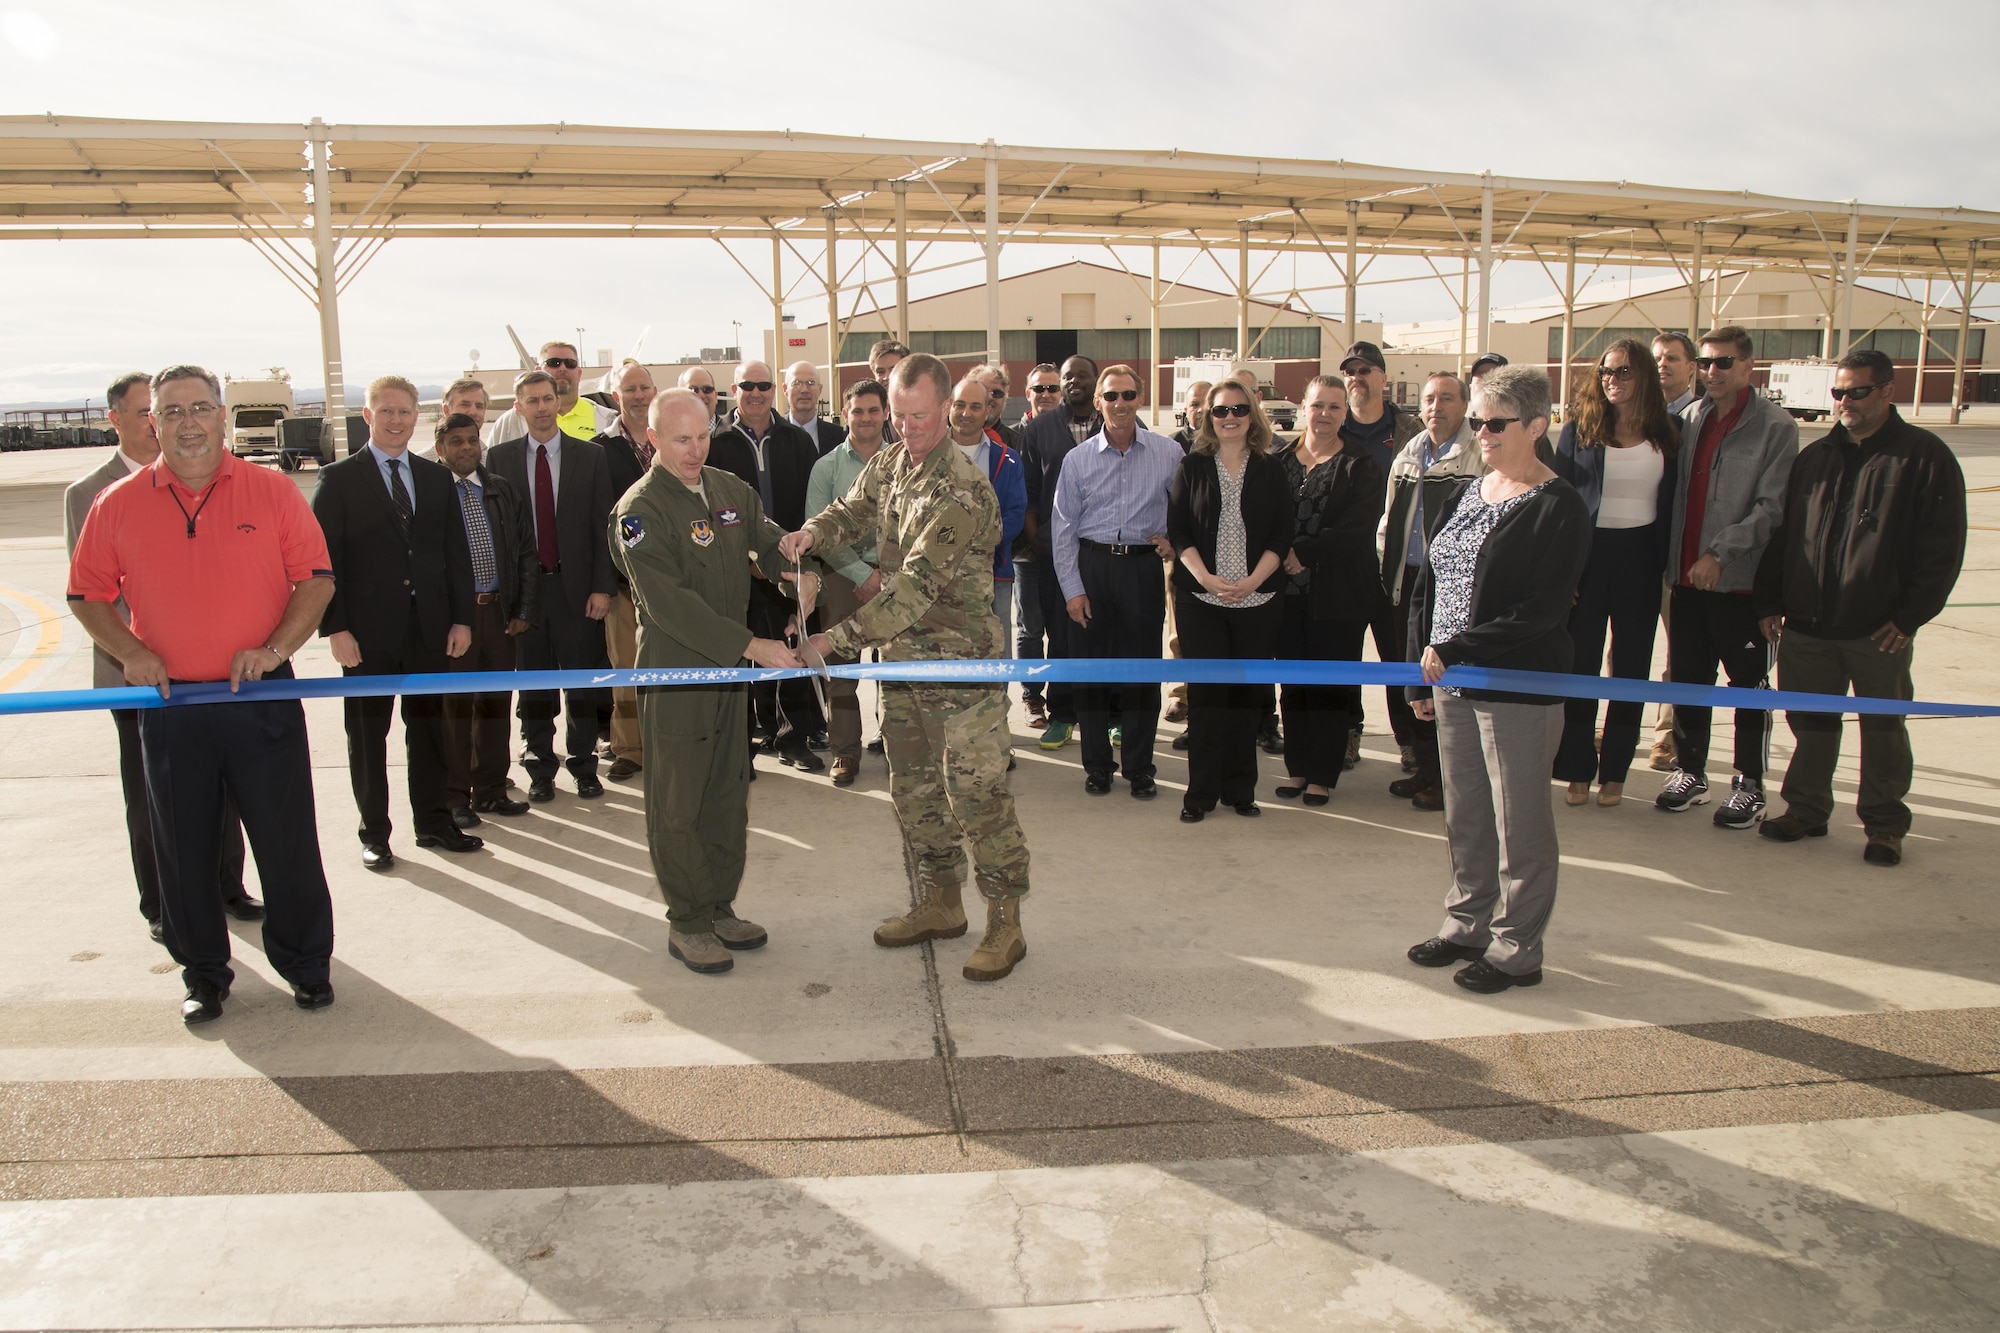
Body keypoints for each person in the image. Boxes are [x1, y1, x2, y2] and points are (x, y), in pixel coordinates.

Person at [68, 364, 338, 1024]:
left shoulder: (271, 492)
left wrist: (274, 648)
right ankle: (204, 973)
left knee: (286, 838)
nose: (188, 422)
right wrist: (130, 652)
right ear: (151, 423)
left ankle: (305, 963)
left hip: (259, 697)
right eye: (172, 411)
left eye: (200, 408)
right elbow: (86, 595)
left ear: (223, 416)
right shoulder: (118, 503)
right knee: (182, 847)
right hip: (172, 707)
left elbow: (318, 581)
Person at [785, 353, 1033, 983]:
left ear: (947, 409)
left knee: (978, 796)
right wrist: (812, 534)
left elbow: (911, 591)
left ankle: (1005, 922)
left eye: (919, 417)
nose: (907, 428)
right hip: (904, 668)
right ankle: (943, 905)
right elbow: (855, 508)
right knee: (915, 791)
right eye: (899, 416)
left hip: (962, 672)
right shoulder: (895, 459)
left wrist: (829, 642)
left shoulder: (961, 489)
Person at [1403, 365, 1591, 995]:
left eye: (1494, 422)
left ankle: (1517, 949)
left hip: (1517, 686)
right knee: (1468, 816)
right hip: (1451, 682)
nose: (1481, 431)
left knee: (1521, 823)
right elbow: (1431, 586)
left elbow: (1539, 610)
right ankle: (1467, 925)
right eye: (1477, 420)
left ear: (1536, 427)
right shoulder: (1470, 490)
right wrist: (1423, 671)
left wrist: (1455, 649)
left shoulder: (1559, 506)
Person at [611, 389, 811, 974]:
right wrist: (751, 644)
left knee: (727, 793)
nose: (695, 450)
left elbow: (767, 538)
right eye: (680, 440)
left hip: (729, 678)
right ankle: (688, 920)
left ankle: (720, 904)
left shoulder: (728, 490)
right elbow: (669, 604)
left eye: (701, 437)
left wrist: (796, 568)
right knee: (678, 802)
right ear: (653, 439)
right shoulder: (640, 510)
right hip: (679, 676)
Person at [65, 372, 260, 942]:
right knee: (153, 797)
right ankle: (160, 902)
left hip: (209, 675)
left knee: (221, 788)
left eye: (192, 410)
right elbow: (96, 591)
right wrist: (142, 652)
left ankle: (227, 884)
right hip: (138, 675)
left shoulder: (203, 480)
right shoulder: (92, 493)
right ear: (123, 419)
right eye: (157, 413)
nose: (175, 423)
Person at [1755, 348, 1967, 867]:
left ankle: (1885, 824)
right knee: (1809, 723)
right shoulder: (1816, 458)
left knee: (1884, 730)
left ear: (1888, 392)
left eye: (1857, 391)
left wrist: (1911, 615)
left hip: (1879, 630)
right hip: (1807, 625)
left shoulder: (1923, 457)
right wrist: (1771, 600)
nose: (1845, 401)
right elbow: (1785, 537)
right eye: (1838, 392)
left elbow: (1942, 547)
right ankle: (1806, 809)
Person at [312, 375, 478, 870]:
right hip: (365, 637)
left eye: (404, 412)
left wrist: (461, 620)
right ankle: (375, 834)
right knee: (368, 737)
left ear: (416, 416)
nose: (395, 421)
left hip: (427, 629)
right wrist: (335, 628)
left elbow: (455, 554)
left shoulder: (434, 479)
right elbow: (321, 562)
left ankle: (432, 822)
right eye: (385, 411)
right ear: (367, 416)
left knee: (427, 732)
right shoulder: (339, 479)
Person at [1659, 325, 1797, 828]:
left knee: (1747, 687)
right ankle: (1691, 770)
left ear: (1747, 367)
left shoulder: (1775, 427)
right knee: (1691, 680)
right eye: (1707, 362)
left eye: (1723, 363)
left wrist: (1720, 552)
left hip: (1738, 584)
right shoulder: (1690, 419)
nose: (1712, 371)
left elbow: (1771, 508)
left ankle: (1749, 783)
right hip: (1688, 582)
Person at [1550, 340, 1680, 808]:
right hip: (1588, 559)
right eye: (1605, 371)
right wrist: (1564, 574)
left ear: (1643, 375)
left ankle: (1617, 771)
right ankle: (1577, 768)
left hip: (1641, 559)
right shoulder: (1579, 430)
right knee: (1580, 666)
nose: (1612, 380)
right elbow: (1560, 504)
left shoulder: (1669, 432)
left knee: (1630, 668)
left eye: (1623, 371)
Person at [1051, 363, 1180, 798]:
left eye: (1127, 395)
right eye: (1111, 396)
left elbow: (1186, 511)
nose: (1120, 404)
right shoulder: (1077, 460)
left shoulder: (1168, 453)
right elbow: (1063, 530)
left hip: (1142, 571)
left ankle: (1140, 767)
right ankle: (1097, 766)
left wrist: (1173, 540)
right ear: (1098, 402)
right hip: (1093, 569)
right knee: (1090, 674)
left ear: (1140, 398)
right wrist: (1073, 590)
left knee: (1142, 673)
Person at [488, 369, 616, 801]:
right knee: (534, 684)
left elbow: (603, 526)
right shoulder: (500, 459)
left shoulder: (590, 456)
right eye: (532, 400)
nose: (542, 407)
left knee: (582, 682)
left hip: (576, 589)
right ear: (518, 406)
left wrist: (602, 587)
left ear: (558, 402)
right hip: (526, 594)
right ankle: (540, 768)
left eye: (548, 398)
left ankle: (583, 765)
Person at [1169, 379, 1293, 820]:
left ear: (1252, 416)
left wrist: (1254, 581)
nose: (1229, 418)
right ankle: (1199, 795)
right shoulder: (1192, 466)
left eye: (1239, 410)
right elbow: (1179, 531)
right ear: (1208, 418)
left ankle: (1241, 791)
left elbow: (1282, 533)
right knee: (1206, 698)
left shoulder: (1272, 467)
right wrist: (1204, 577)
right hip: (1201, 599)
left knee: (1246, 699)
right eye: (1220, 411)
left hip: (1258, 601)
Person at [1268, 376, 1386, 806]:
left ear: (1345, 413)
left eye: (1335, 407)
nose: (1325, 415)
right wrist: (1282, 553)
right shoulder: (1278, 460)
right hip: (1284, 593)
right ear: (1304, 407)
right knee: (1294, 685)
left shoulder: (1360, 463)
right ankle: (1297, 770)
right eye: (1318, 405)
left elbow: (1358, 527)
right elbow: (1264, 516)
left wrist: (1307, 553)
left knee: (1331, 687)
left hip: (1337, 596)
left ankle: (1322, 776)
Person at [708, 358, 829, 770]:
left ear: (773, 389)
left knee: (791, 649)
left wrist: (804, 562)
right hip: (733, 570)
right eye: (747, 385)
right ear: (734, 388)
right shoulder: (715, 442)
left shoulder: (797, 441)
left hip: (785, 567)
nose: (756, 392)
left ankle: (793, 739)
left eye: (763, 385)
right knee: (738, 654)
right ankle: (739, 747)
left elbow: (813, 509)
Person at [1377, 372, 1482, 810]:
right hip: (1411, 583)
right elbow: (1389, 519)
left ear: (1465, 404)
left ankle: (1452, 780)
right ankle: (1425, 769)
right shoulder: (1410, 452)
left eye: (1446, 398)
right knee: (1415, 682)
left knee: (1448, 683)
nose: (1436, 407)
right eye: (1429, 399)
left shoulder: (1479, 454)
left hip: (1454, 590)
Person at [434, 413, 538, 826]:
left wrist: (523, 609)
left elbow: (526, 552)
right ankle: (454, 796)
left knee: (495, 704)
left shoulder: (500, 489)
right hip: (454, 621)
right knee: (455, 710)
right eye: (455, 441)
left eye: (471, 440)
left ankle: (491, 789)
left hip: (499, 612)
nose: (465, 448)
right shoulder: (432, 491)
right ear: (440, 449)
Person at [1340, 339, 1422, 773]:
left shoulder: (1413, 431)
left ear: (1383, 378)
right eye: (1351, 371)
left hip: (1396, 566)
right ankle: (1349, 735)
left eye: (1366, 370)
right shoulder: (1334, 428)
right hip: (1346, 565)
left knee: (1398, 656)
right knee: (1347, 656)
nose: (1357, 378)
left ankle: (1407, 738)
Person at [805, 380, 889, 787]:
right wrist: (861, 574)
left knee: (898, 668)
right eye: (858, 411)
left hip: (897, 579)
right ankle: (845, 753)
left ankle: (897, 746)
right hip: (841, 576)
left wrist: (882, 576)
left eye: (874, 410)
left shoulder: (903, 463)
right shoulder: (826, 468)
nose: (866, 418)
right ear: (844, 414)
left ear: (886, 414)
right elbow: (819, 531)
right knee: (840, 670)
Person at [1017, 355, 1102, 748]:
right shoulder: (1042, 428)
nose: (1073, 383)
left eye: (1081, 376)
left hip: (1106, 551)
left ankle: (1111, 713)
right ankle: (1063, 713)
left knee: (1107, 633)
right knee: (1061, 635)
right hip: (1055, 551)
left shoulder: (1117, 421)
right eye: (1067, 377)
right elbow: (1030, 490)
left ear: (1095, 381)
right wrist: (1037, 539)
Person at [594, 361, 657, 780]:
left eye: (644, 388)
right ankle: (630, 749)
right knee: (626, 670)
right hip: (621, 584)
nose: (637, 395)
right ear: (616, 397)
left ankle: (669, 744)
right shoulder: (598, 450)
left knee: (671, 669)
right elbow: (594, 519)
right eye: (629, 389)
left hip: (672, 583)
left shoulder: (671, 441)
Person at [1647, 331, 1703, 770]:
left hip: (1681, 558)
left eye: (1672, 358)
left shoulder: (1699, 420)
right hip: (1642, 553)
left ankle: (1667, 735)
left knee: (1679, 652)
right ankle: (1614, 721)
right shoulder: (1638, 417)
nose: (1663, 365)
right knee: (1622, 650)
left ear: (1692, 367)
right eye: (1657, 358)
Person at [948, 373, 1027, 644]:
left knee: (996, 655)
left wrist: (975, 544)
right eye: (959, 404)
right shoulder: (926, 455)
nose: (966, 413)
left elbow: (1015, 515)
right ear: (949, 406)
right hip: (936, 580)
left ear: (988, 411)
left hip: (993, 576)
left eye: (975, 406)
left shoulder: (1008, 459)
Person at [1014, 362, 1064, 727]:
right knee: (1030, 628)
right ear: (1027, 393)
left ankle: (1065, 699)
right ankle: (1033, 698)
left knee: (1063, 629)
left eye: (1052, 388)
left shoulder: (1071, 432)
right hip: (1026, 553)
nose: (1046, 394)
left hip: (1066, 551)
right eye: (1039, 389)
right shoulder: (1016, 436)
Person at [485, 341, 615, 446]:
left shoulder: (607, 420)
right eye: (554, 363)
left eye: (570, 364)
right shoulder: (510, 421)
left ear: (579, 373)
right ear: (538, 370)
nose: (562, 368)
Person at [784, 359, 846, 455]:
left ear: (820, 389)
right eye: (797, 383)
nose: (804, 390)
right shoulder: (772, 433)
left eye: (811, 383)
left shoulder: (840, 437)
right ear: (785, 389)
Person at [678, 365, 724, 429]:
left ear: (715, 396)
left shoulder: (733, 435)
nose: (701, 395)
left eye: (707, 389)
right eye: (693, 390)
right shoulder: (668, 435)